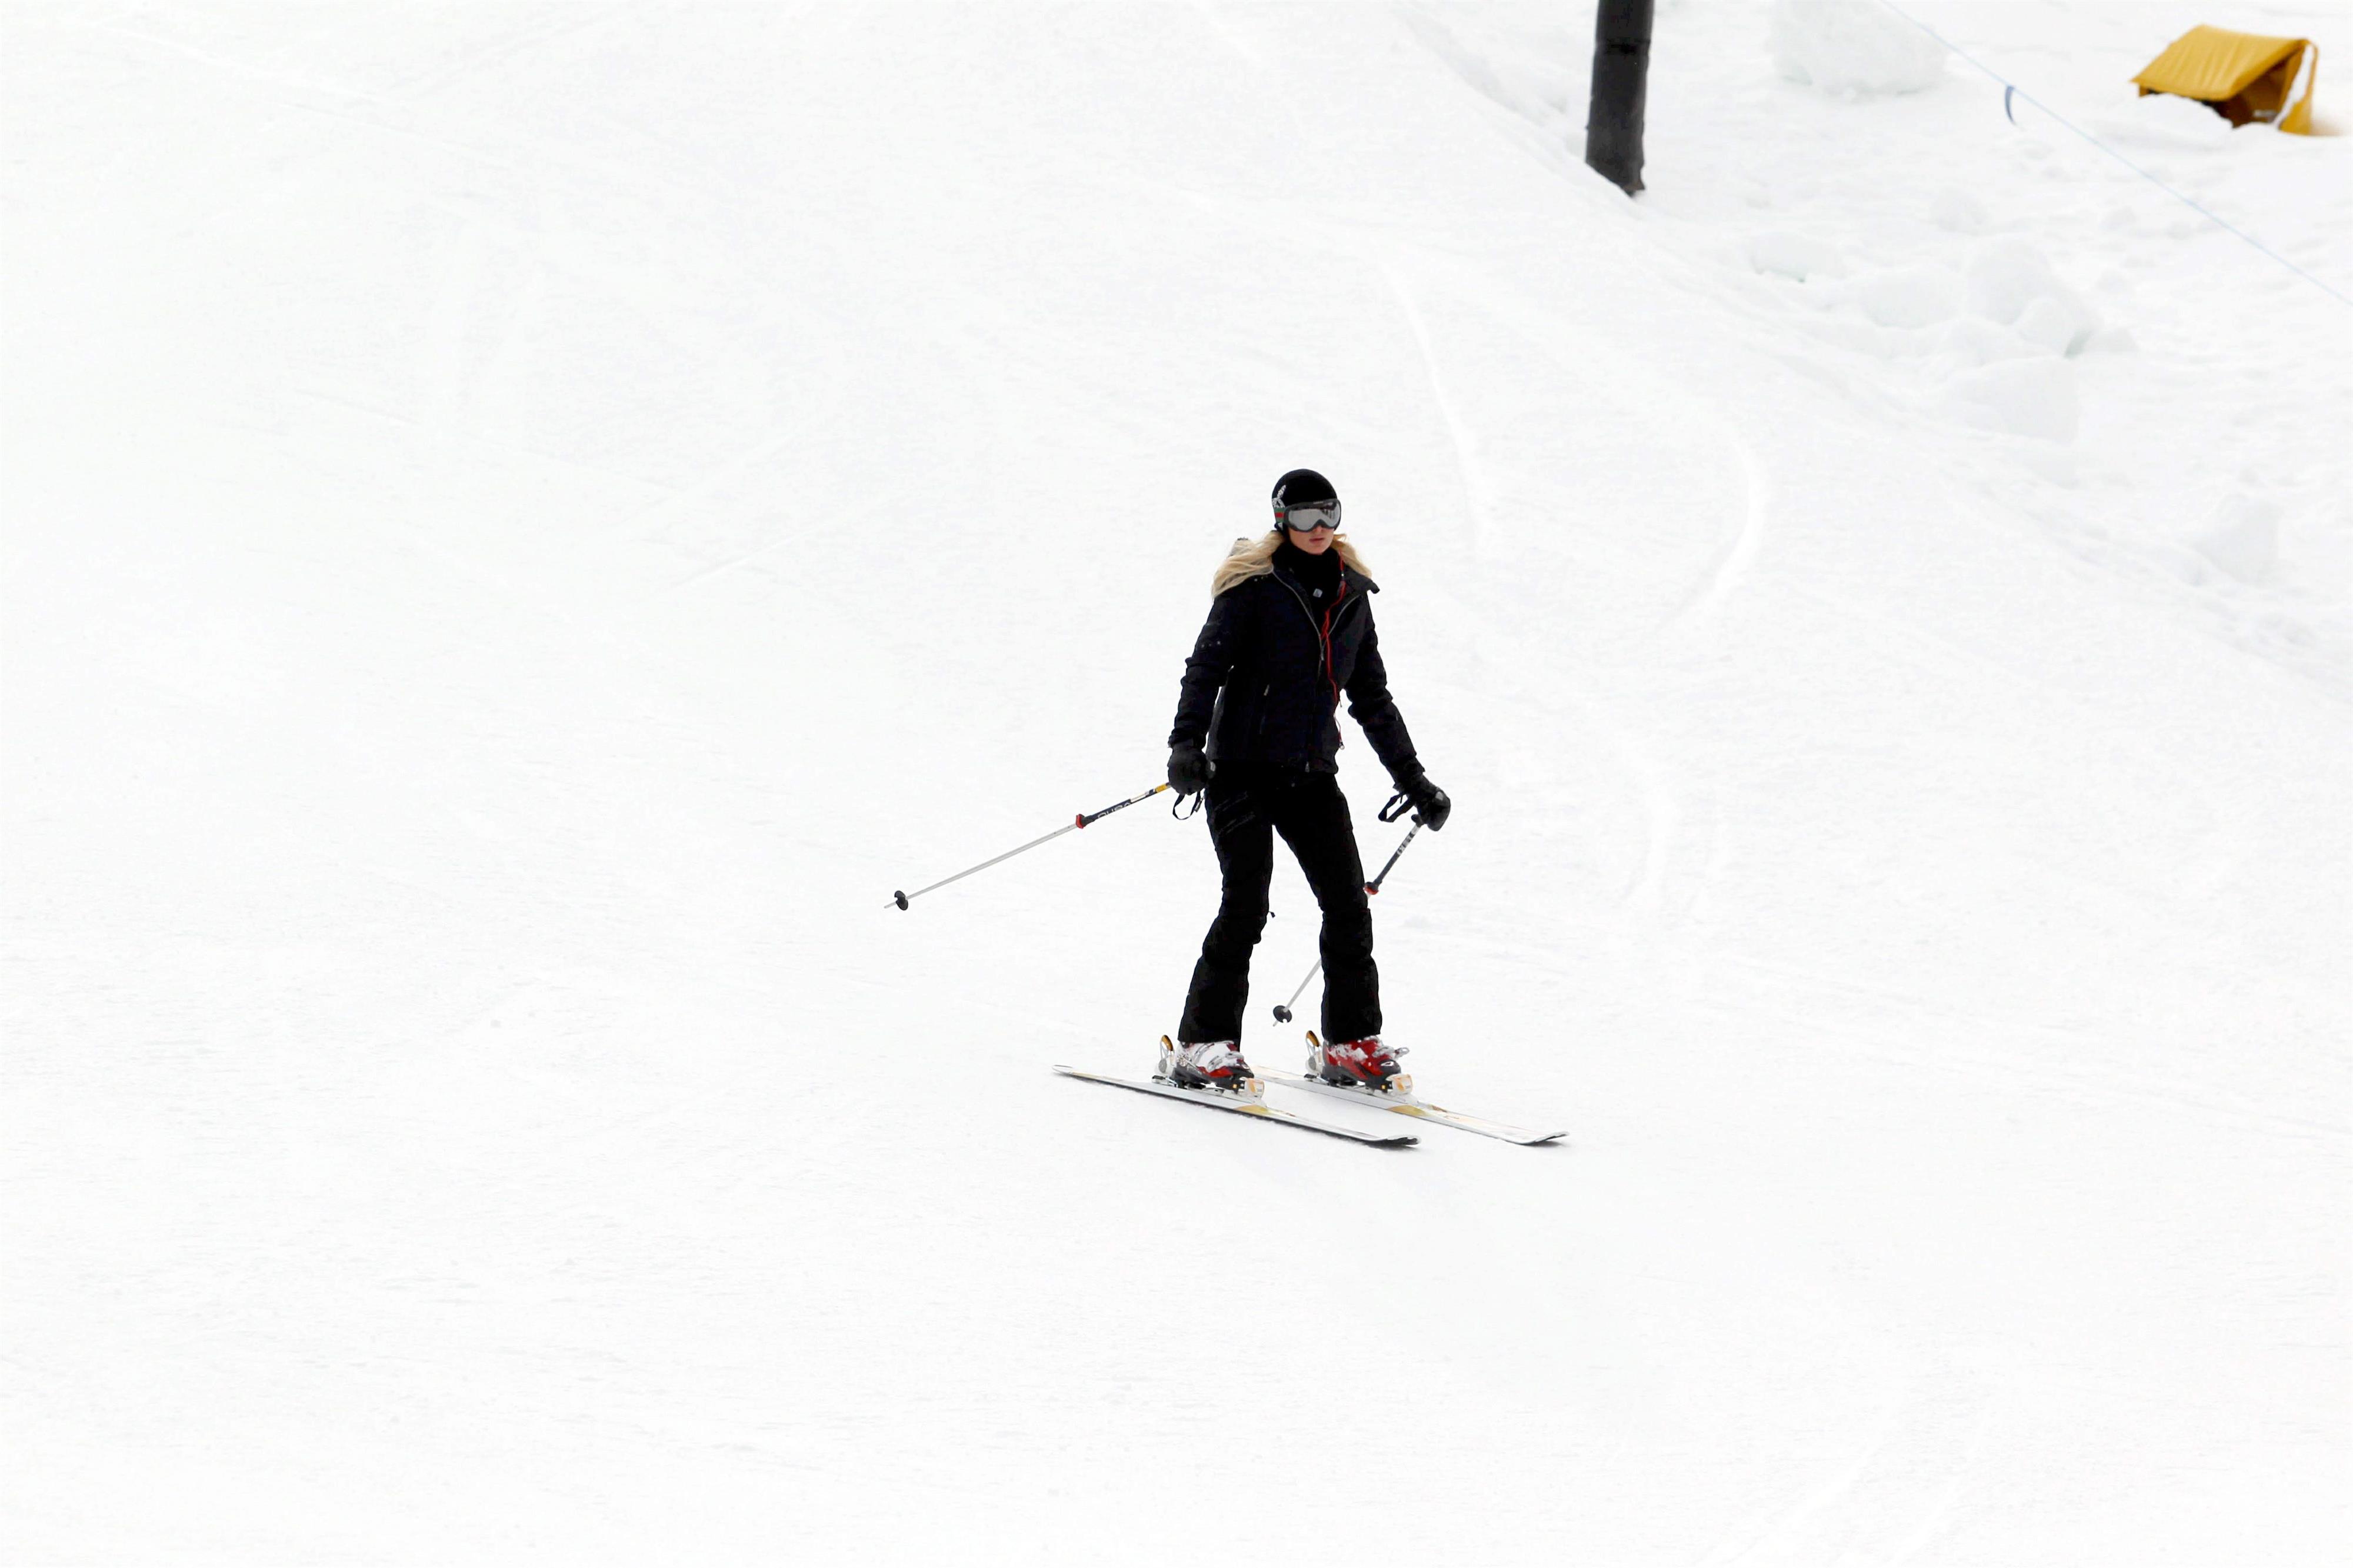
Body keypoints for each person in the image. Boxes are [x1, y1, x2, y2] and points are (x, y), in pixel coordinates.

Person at [1162, 469, 1449, 1092]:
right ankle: (1201, 1043)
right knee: (1246, 902)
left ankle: (1349, 1043)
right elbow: (1204, 668)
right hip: (1237, 770)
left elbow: (1370, 696)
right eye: (1303, 517)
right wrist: (1186, 744)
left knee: (1347, 904)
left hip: (1311, 772)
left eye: (1328, 514)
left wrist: (1414, 779)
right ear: (1280, 520)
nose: (1318, 528)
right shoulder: (1254, 588)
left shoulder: (1351, 597)